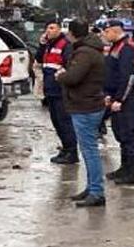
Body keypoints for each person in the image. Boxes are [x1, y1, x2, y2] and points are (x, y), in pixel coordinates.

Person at [56, 20, 107, 208]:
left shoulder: (84, 53)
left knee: (90, 150)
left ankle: (96, 192)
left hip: (85, 105)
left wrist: (61, 75)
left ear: (71, 34)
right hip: (88, 103)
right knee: (88, 150)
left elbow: (74, 77)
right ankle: (92, 187)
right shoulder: (90, 49)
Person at [102, 19, 134, 185]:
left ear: (115, 30)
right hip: (114, 97)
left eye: (106, 31)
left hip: (125, 100)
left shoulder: (127, 48)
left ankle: (132, 171)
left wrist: (120, 99)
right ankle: (124, 168)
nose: (104, 35)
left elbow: (128, 77)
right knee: (120, 134)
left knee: (128, 135)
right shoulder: (115, 47)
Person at [36, 21, 78, 164]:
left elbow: (69, 64)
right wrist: (42, 45)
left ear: (59, 29)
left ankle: (71, 151)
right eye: (47, 28)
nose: (48, 30)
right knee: (56, 122)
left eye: (52, 28)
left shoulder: (65, 44)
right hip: (50, 90)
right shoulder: (48, 45)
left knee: (64, 122)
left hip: (61, 90)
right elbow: (39, 59)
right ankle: (66, 148)